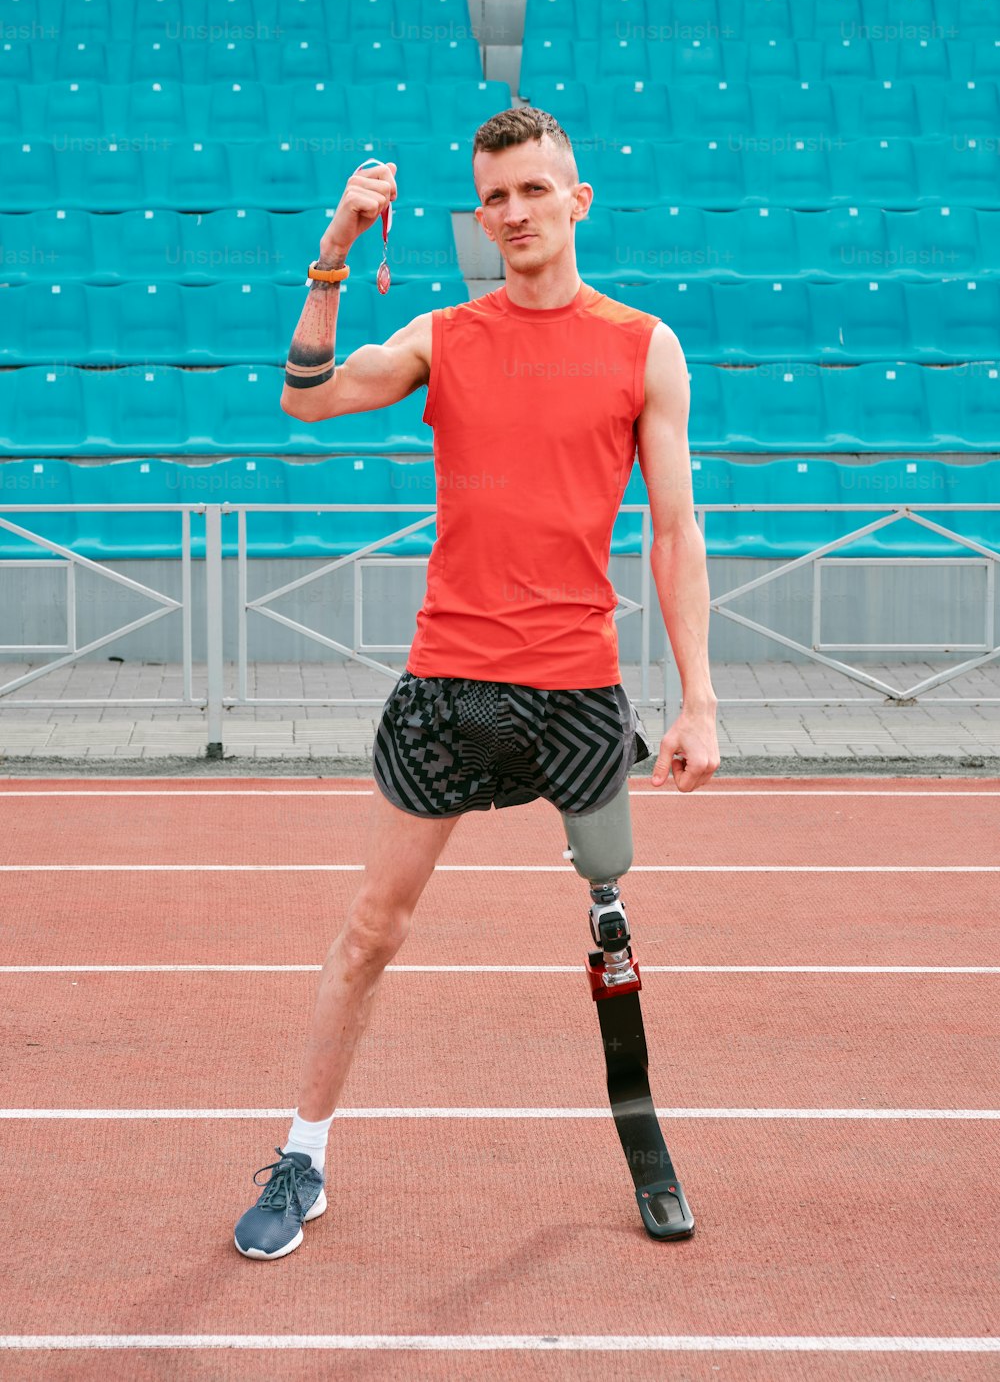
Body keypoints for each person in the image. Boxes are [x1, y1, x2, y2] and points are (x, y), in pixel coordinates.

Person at [234, 107, 720, 1259]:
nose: (510, 214)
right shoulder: (444, 334)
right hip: (447, 683)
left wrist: (697, 697)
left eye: (531, 192)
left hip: (578, 692)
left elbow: (674, 530)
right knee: (372, 930)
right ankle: (302, 1159)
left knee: (610, 903)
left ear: (575, 198)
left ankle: (642, 1137)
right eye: (491, 197)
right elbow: (306, 398)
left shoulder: (643, 345)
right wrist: (334, 250)